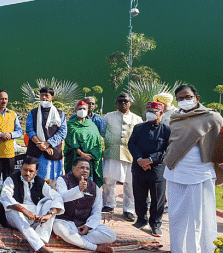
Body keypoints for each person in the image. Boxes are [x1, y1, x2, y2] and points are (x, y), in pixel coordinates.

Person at [162, 85, 223, 253]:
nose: (184, 100)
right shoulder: (175, 117)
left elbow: (220, 144)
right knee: (175, 214)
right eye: (180, 98)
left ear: (197, 97)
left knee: (198, 217)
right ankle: (177, 250)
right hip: (175, 169)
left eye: (187, 97)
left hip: (199, 171)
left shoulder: (212, 117)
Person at [0, 156, 63, 253]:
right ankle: (41, 247)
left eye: (30, 171)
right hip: (14, 217)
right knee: (15, 210)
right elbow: (5, 198)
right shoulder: (11, 179)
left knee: (50, 202)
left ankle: (33, 242)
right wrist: (23, 210)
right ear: (20, 169)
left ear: (36, 172)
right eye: (25, 170)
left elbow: (57, 197)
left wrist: (50, 214)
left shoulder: (40, 182)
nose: (27, 173)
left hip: (34, 217)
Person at [53, 158, 116, 253]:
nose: (85, 170)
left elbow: (97, 211)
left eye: (87, 168)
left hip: (84, 224)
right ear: (73, 168)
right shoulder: (63, 180)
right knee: (58, 228)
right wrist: (78, 189)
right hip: (65, 221)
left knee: (111, 235)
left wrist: (88, 226)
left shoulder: (94, 187)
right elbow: (62, 197)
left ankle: (76, 240)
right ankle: (94, 247)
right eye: (81, 167)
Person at [128, 101, 170, 237]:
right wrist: (140, 159)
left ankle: (156, 224)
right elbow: (132, 144)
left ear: (161, 113)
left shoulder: (167, 130)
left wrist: (151, 159)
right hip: (139, 167)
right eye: (148, 111)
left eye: (153, 112)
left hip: (157, 170)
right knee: (139, 196)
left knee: (157, 199)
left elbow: (167, 150)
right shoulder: (139, 127)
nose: (149, 114)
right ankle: (141, 220)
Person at [100, 92, 143, 220]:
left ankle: (128, 209)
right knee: (109, 181)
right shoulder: (108, 116)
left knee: (130, 183)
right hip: (112, 153)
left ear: (130, 103)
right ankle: (108, 204)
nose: (123, 103)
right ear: (116, 103)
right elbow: (103, 132)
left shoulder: (137, 119)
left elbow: (140, 138)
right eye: (120, 101)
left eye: (126, 101)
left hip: (130, 155)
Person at [25, 87, 67, 186]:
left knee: (53, 183)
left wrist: (48, 144)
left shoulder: (60, 114)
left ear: (52, 97)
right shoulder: (33, 113)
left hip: (53, 152)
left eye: (46, 96)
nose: (44, 98)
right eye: (42, 95)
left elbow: (62, 132)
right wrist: (40, 144)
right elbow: (29, 130)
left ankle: (52, 201)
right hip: (35, 151)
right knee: (33, 180)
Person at [64, 100, 104, 186]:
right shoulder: (70, 125)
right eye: (80, 109)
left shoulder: (92, 125)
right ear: (75, 110)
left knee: (88, 184)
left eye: (84, 109)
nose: (82, 110)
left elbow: (97, 142)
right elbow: (69, 141)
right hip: (74, 158)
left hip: (89, 160)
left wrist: (91, 155)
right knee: (73, 184)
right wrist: (81, 153)